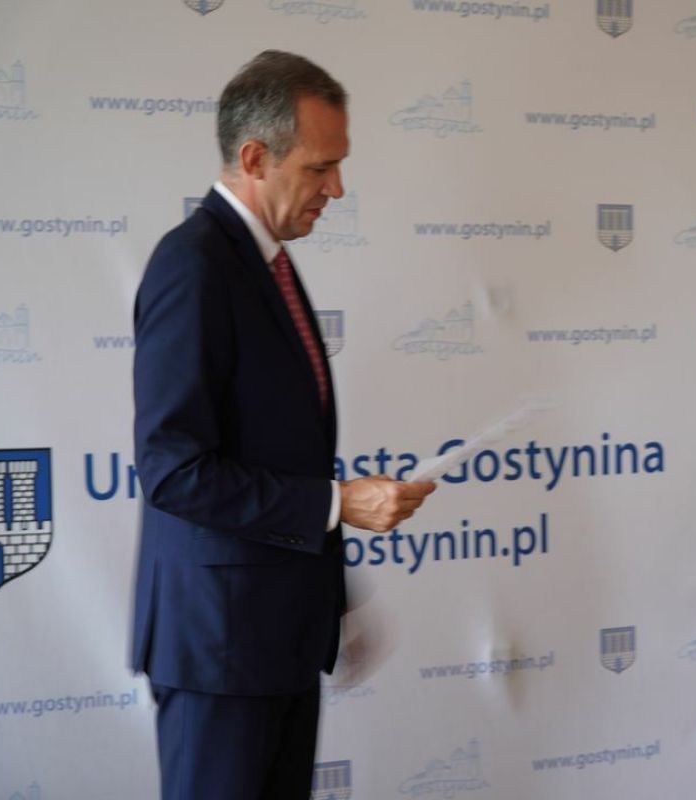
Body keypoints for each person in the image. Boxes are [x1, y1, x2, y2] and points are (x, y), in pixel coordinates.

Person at [130, 50, 435, 799]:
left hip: (277, 638)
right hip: (218, 650)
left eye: (339, 165)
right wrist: (337, 503)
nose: (337, 188)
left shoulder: (267, 260)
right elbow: (172, 470)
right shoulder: (194, 265)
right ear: (254, 158)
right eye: (319, 168)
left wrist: (337, 597)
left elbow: (278, 450)